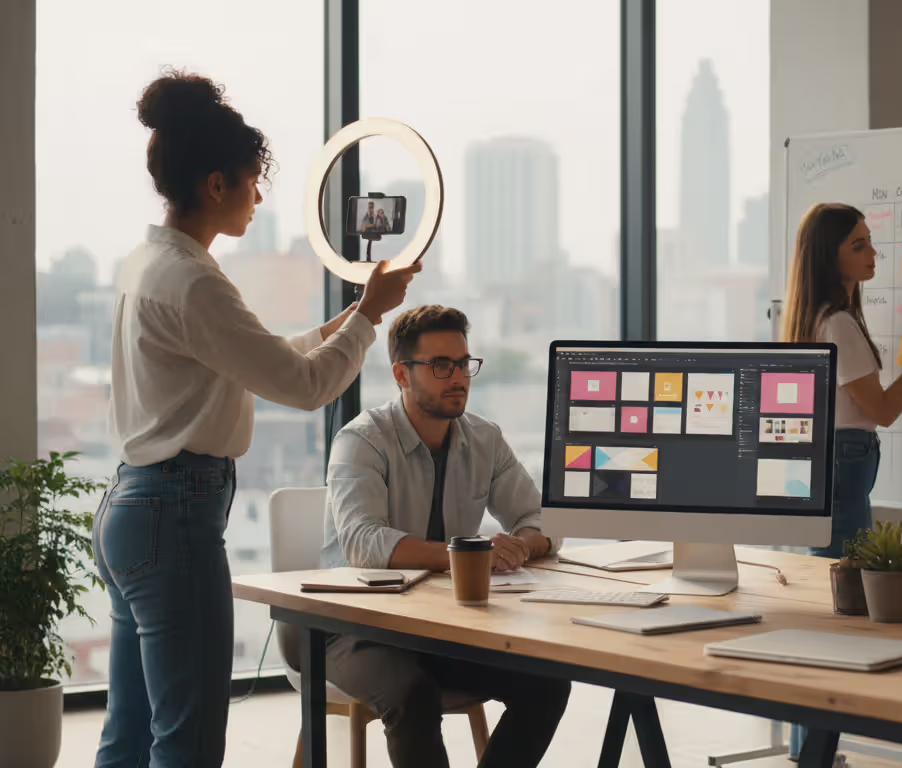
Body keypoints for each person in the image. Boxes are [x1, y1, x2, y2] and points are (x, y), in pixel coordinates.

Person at [92, 71, 420, 768]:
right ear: (216, 184)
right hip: (176, 516)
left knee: (129, 733)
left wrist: (355, 317)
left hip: (130, 507)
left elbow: (261, 358)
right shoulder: (196, 281)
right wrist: (366, 319)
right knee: (187, 739)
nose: (259, 196)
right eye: (251, 180)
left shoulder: (149, 263)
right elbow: (303, 387)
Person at [320, 305, 571, 768]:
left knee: (548, 681)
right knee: (412, 695)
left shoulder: (484, 439)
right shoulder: (363, 440)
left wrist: (521, 544)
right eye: (440, 366)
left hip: (437, 628)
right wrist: (472, 554)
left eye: (463, 363)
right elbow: (363, 542)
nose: (458, 377)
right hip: (349, 628)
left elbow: (542, 517)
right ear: (401, 373)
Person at [780, 202, 902, 761]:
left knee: (831, 606)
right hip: (846, 464)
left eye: (869, 241)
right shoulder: (837, 323)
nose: (872, 253)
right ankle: (815, 753)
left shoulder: (815, 316)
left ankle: (810, 750)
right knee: (846, 610)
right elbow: (882, 409)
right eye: (858, 244)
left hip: (830, 463)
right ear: (830, 257)